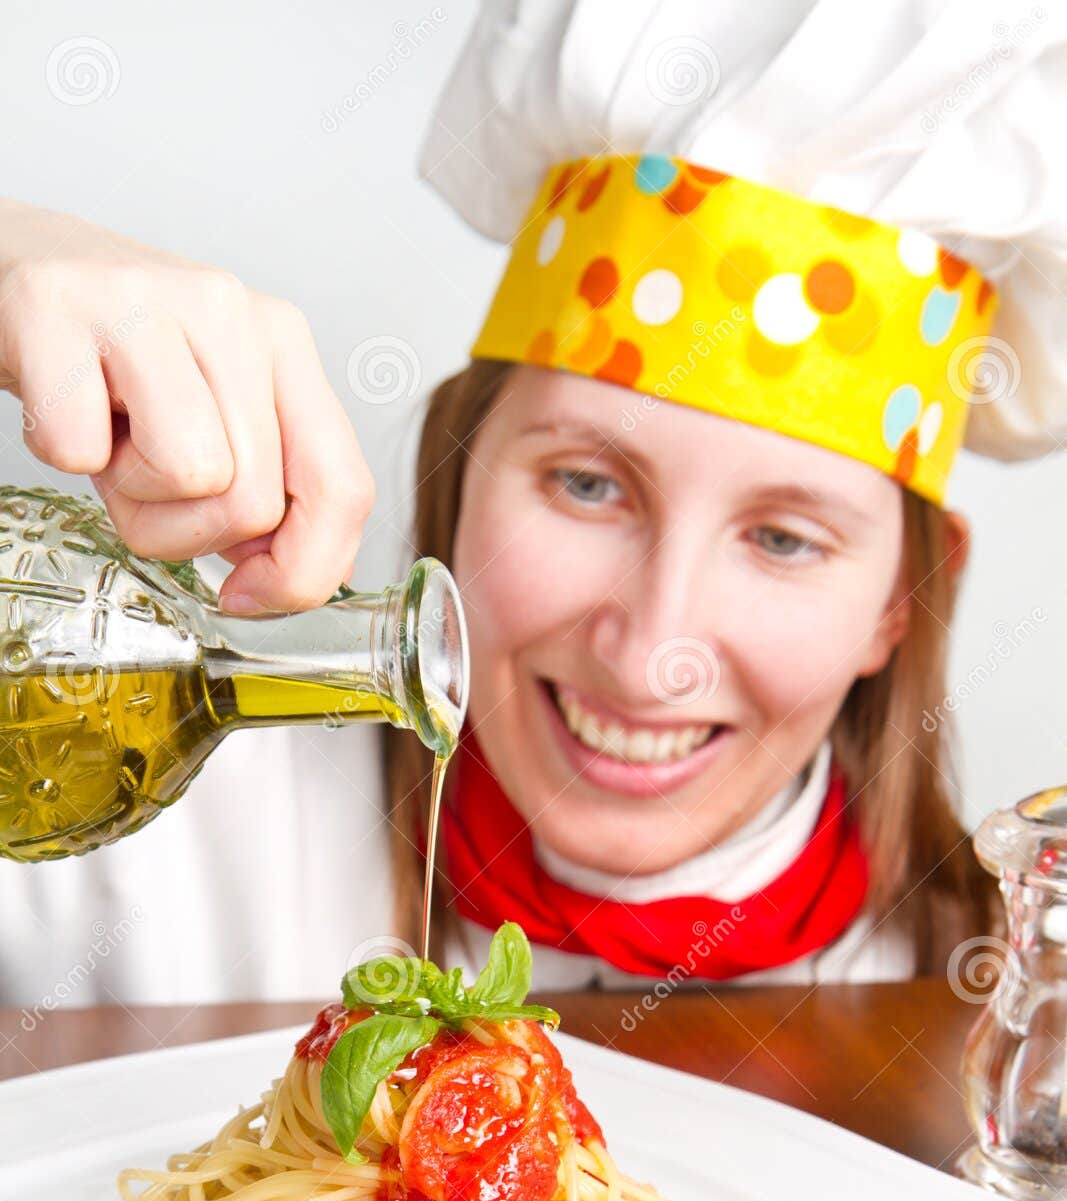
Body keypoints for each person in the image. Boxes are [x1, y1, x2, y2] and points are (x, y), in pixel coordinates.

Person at [0, 0, 1061, 1006]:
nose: (649, 655)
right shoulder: (140, 787)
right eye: (587, 485)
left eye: (782, 539)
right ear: (454, 475)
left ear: (901, 602)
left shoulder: (1003, 992)